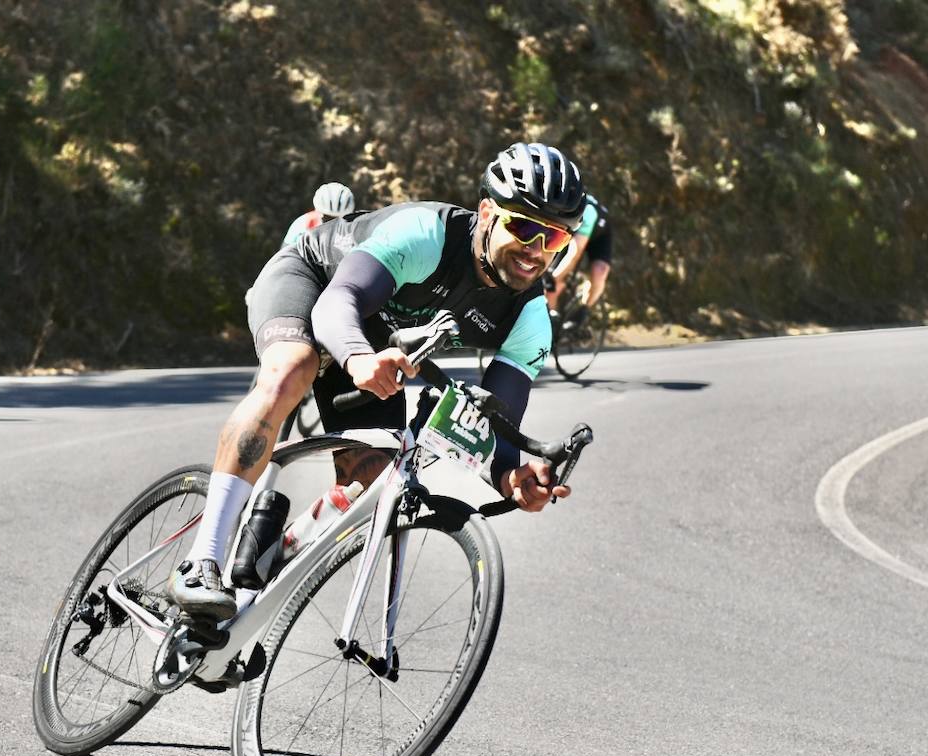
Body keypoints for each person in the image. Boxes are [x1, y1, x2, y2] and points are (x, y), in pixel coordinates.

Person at [170, 142, 583, 623]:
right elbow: (336, 301)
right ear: (488, 213)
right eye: (525, 228)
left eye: (554, 240)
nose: (535, 253)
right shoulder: (429, 234)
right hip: (315, 281)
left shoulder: (529, 317)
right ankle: (201, 561)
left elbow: (498, 418)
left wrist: (509, 478)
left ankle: (259, 578)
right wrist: (358, 358)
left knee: (375, 474)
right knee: (292, 368)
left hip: (373, 333)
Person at [544, 192, 612, 313]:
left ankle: (585, 309)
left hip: (599, 235)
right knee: (551, 282)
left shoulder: (588, 213)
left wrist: (555, 278)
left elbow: (575, 252)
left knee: (600, 271)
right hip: (572, 232)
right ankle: (551, 317)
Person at [282, 181, 356, 246]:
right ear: (318, 212)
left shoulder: (357, 230)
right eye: (327, 218)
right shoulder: (303, 225)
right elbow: (283, 257)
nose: (332, 224)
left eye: (338, 220)